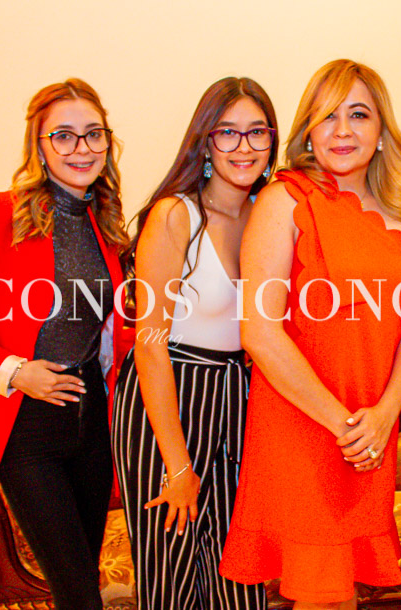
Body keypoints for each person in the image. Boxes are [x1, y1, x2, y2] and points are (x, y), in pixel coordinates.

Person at [218, 59, 401, 609]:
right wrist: (344, 425)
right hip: (304, 426)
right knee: (320, 593)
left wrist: (384, 415)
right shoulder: (284, 200)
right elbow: (259, 332)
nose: (342, 130)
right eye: (327, 115)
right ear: (308, 130)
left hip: (372, 428)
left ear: (381, 130)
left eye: (358, 115)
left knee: (345, 592)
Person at [0, 79, 129, 609]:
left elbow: (112, 328)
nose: (81, 148)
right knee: (77, 592)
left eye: (93, 134)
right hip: (25, 425)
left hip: (92, 418)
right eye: (63, 135)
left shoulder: (107, 222)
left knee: (85, 577)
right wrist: (15, 370)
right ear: (38, 145)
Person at [110, 77, 276, 610]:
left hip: (237, 395)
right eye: (228, 132)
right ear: (205, 142)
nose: (244, 146)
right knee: (173, 573)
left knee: (240, 571)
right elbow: (149, 345)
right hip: (168, 396)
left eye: (258, 132)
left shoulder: (269, 214)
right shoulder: (175, 215)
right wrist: (178, 464)